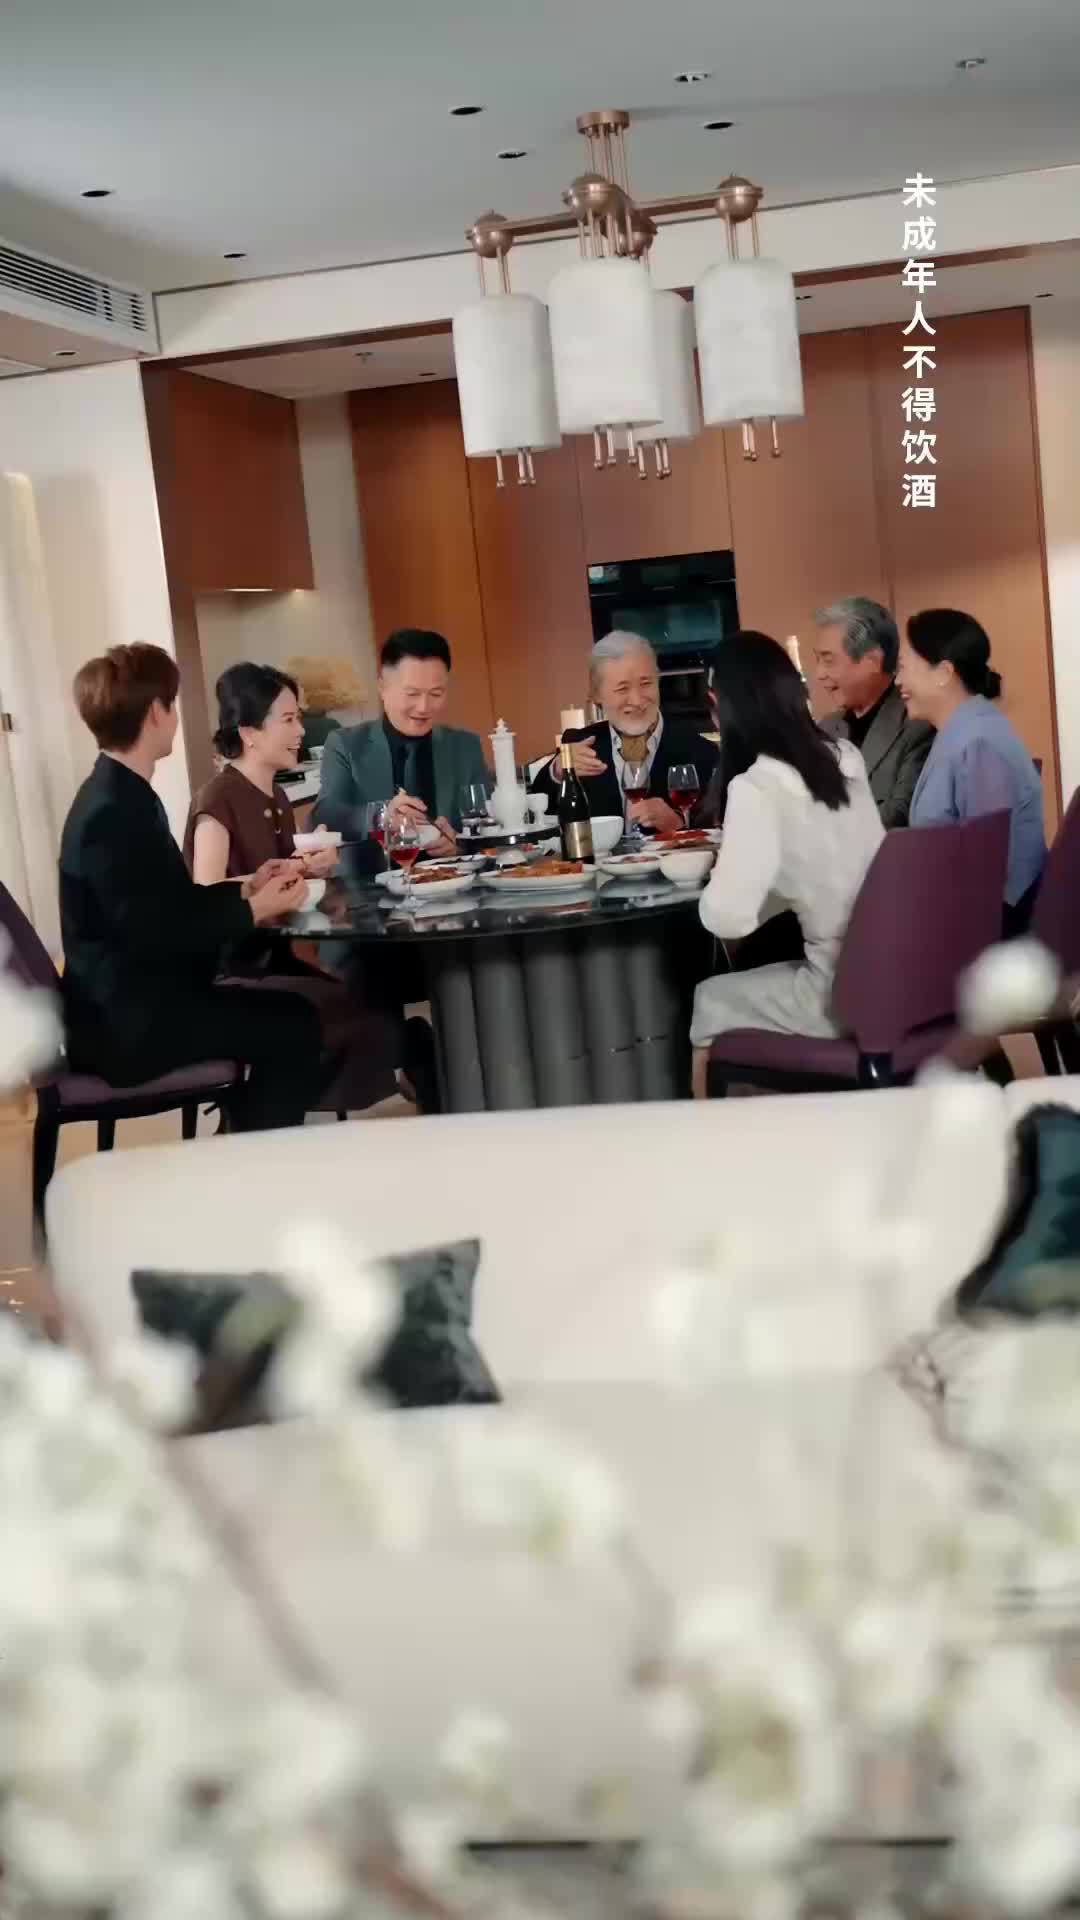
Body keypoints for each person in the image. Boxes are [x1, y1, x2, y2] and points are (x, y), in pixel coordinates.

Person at [59, 643, 324, 1133]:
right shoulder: (111, 813)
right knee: (296, 1024)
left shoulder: (121, 795)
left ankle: (242, 1141)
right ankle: (250, 1156)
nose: (176, 717)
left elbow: (166, 906)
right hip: (128, 1025)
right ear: (155, 712)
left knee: (293, 1017)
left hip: (140, 1006)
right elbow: (156, 931)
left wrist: (247, 887)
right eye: (173, 704)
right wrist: (252, 910)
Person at [184, 663, 399, 1113]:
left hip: (272, 956)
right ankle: (259, 1114)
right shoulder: (218, 799)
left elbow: (283, 874)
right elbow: (205, 892)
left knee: (369, 1001)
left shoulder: (276, 797)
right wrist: (286, 872)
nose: (301, 730)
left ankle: (273, 1111)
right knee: (349, 1009)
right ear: (250, 733)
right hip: (233, 969)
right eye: (288, 719)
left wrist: (311, 866)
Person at [689, 632, 884, 1070]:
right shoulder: (845, 755)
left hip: (835, 993)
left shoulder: (756, 785)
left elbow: (728, 918)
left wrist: (718, 873)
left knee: (710, 996)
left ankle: (719, 1115)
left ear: (720, 706)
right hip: (891, 973)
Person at [897, 609, 1045, 934]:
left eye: (903, 667)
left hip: (988, 933)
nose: (898, 681)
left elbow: (986, 865)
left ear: (943, 673)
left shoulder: (976, 741)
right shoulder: (964, 729)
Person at [314, 629, 488, 858]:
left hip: (452, 876)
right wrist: (381, 816)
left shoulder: (465, 746)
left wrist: (460, 845)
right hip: (374, 879)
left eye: (436, 694)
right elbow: (326, 815)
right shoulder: (346, 744)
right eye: (412, 694)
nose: (424, 707)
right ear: (382, 688)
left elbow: (488, 824)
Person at [529, 632, 718, 829]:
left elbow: (718, 825)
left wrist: (680, 824)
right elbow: (537, 810)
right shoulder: (579, 744)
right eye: (622, 689)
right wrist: (558, 771)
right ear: (596, 695)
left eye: (646, 684)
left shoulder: (699, 750)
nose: (636, 700)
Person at [813, 596, 933, 827]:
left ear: (873, 661)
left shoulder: (917, 725)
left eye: (828, 661)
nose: (819, 674)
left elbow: (899, 813)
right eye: (817, 660)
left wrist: (823, 832)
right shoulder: (825, 728)